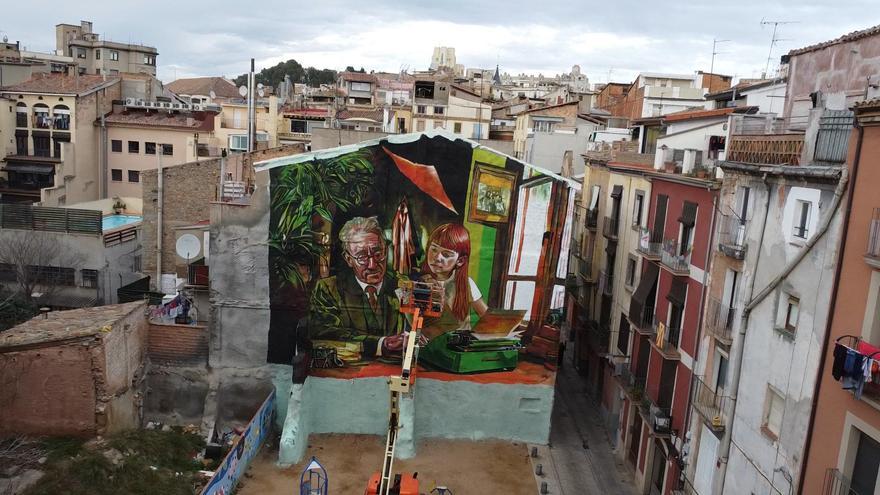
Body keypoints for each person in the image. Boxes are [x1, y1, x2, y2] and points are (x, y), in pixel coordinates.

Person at [308, 216, 408, 360]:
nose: (373, 264)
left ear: (386, 251)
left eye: (378, 253)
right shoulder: (328, 289)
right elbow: (325, 332)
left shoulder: (403, 286)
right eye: (362, 257)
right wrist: (380, 344)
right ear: (348, 259)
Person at [420, 223, 488, 336]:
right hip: (430, 347)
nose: (437, 258)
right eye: (434, 250)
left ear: (460, 261)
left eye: (446, 254)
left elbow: (486, 317)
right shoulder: (420, 282)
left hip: (458, 348)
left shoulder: (466, 283)